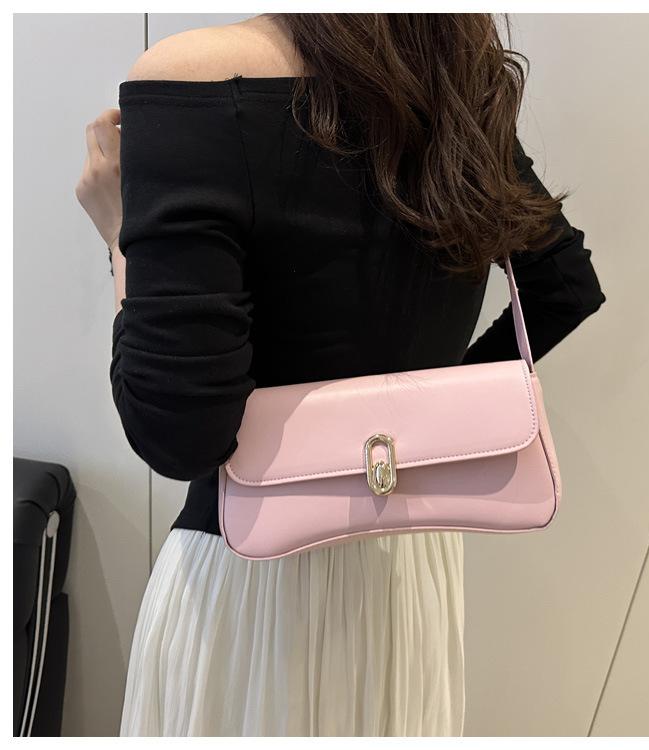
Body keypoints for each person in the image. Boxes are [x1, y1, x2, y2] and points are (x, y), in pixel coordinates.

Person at [75, 13, 606, 737]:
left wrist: (120, 237)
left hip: (256, 585)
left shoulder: (190, 77)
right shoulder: (449, 76)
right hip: (410, 573)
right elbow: (562, 286)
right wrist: (431, 430)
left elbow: (179, 436)